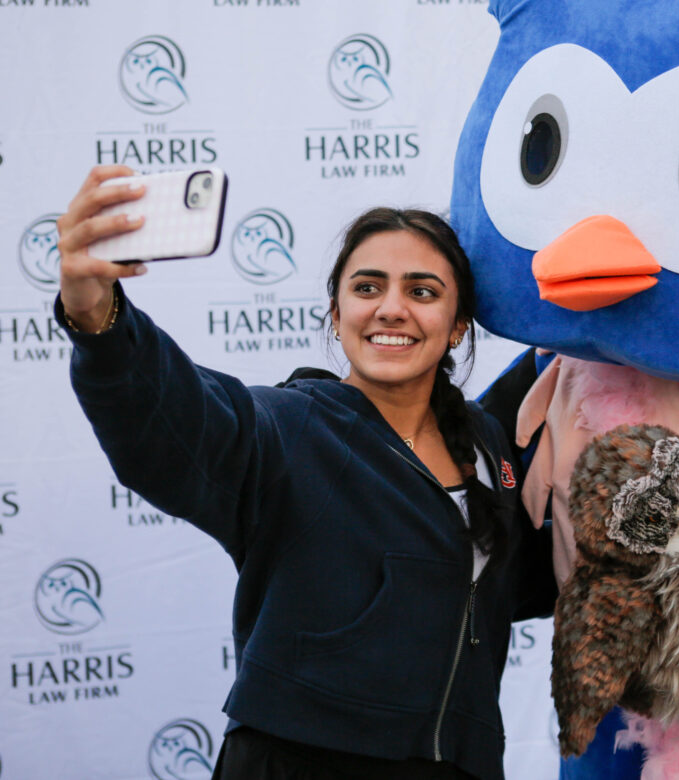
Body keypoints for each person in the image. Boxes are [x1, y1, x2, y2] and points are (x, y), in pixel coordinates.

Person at [55, 164, 550, 780]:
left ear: (456, 327)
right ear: (336, 315)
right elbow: (171, 418)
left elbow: (529, 579)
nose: (391, 309)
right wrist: (97, 317)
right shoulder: (286, 428)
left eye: (422, 291)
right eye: (367, 288)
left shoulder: (489, 448)